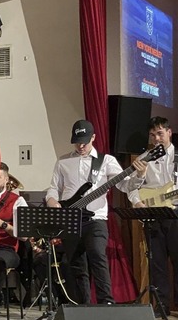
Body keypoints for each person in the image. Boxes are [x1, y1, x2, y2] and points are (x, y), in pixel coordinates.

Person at [46, 119, 147, 305]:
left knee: (97, 255)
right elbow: (53, 188)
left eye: (85, 140)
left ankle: (106, 303)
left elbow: (125, 185)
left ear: (93, 137)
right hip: (70, 217)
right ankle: (81, 305)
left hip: (96, 219)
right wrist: (52, 202)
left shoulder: (106, 161)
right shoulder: (63, 161)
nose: (81, 145)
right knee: (76, 265)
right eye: (77, 141)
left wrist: (139, 176)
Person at [128, 116, 177, 317]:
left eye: (160, 133)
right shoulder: (143, 158)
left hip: (175, 214)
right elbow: (131, 189)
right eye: (152, 134)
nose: (156, 138)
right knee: (156, 264)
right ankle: (161, 307)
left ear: (169, 132)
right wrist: (138, 202)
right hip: (152, 216)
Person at [0, 163, 27, 297]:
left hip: (6, 249)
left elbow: (24, 236)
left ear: (7, 179)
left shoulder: (18, 201)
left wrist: (3, 225)